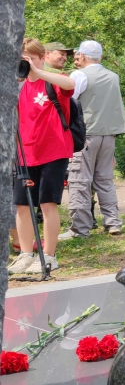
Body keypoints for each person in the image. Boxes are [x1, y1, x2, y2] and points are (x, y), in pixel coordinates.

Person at [9, 39, 77, 274]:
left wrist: (38, 71)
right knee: (22, 205)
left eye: (30, 58)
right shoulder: (18, 87)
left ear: (41, 57)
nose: (26, 63)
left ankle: (49, 255)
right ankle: (26, 254)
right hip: (25, 154)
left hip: (53, 152)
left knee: (47, 204)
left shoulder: (52, 84)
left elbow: (70, 83)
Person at [61, 40, 125, 239]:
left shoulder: (79, 75)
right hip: (109, 134)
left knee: (79, 180)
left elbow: (70, 101)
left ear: (81, 55)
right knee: (105, 179)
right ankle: (113, 222)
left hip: (86, 135)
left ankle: (79, 228)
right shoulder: (113, 76)